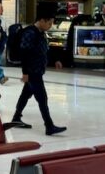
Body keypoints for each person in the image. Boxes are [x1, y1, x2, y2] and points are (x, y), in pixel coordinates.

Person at [10, 8, 67, 136]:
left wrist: (55, 60)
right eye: (49, 23)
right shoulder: (30, 33)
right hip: (32, 71)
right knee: (42, 98)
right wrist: (25, 72)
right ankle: (49, 126)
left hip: (37, 70)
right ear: (41, 20)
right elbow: (24, 53)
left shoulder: (40, 33)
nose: (50, 26)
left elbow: (44, 49)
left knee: (25, 95)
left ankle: (16, 118)